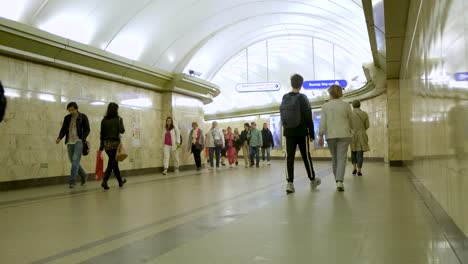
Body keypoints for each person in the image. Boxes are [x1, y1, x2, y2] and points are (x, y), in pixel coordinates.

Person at [280, 73, 321, 194]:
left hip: (288, 132)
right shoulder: (303, 98)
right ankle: (313, 179)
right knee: (306, 156)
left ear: (291, 83)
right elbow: (309, 116)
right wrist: (312, 133)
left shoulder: (284, 97)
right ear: (301, 84)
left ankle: (289, 183)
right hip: (302, 132)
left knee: (289, 157)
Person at [318, 85, 354, 192]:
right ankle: (339, 181)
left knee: (335, 158)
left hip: (331, 136)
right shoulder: (346, 105)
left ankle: (337, 180)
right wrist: (352, 129)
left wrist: (320, 135)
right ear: (340, 93)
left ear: (330, 93)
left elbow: (322, 123)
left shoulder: (325, 106)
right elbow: (351, 120)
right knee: (342, 158)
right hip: (344, 134)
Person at [56, 102, 90, 188]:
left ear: (76, 108)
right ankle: (84, 175)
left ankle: (72, 181)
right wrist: (59, 137)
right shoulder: (67, 118)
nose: (71, 111)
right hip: (69, 142)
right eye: (69, 110)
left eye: (72, 109)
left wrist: (83, 138)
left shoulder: (83, 117)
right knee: (73, 161)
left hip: (79, 141)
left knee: (75, 160)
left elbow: (87, 129)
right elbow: (63, 129)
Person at [99, 102, 126, 190]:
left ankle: (120, 181)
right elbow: (122, 131)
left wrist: (101, 146)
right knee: (112, 163)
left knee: (113, 163)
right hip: (115, 144)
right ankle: (105, 181)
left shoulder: (104, 120)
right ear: (116, 110)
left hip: (107, 145)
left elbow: (102, 134)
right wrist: (120, 122)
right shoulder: (118, 119)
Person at [350, 100, 370, 176]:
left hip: (352, 134)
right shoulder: (364, 114)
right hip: (361, 134)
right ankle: (359, 170)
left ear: (352, 105)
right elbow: (367, 126)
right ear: (359, 105)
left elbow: (348, 125)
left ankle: (354, 168)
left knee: (353, 151)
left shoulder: (350, 114)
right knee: (360, 152)